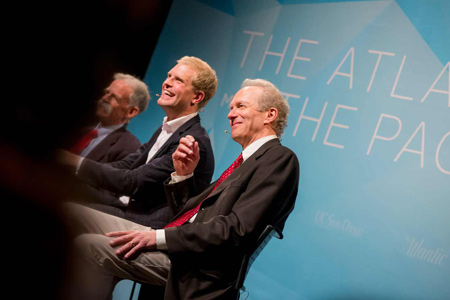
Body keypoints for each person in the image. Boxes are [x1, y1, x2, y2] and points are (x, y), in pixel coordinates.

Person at [64, 78, 300, 300]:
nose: (230, 114)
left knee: (88, 246)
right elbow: (187, 214)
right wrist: (183, 174)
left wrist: (156, 238)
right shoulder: (245, 161)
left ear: (270, 115)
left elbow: (235, 230)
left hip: (194, 267)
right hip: (177, 245)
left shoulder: (279, 159)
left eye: (240, 106)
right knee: (72, 213)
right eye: (230, 107)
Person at [59, 56, 217, 229]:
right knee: (58, 195)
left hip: (149, 225)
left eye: (178, 80)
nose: (167, 83)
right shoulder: (167, 129)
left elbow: (133, 182)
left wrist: (74, 162)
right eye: (169, 76)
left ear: (196, 97)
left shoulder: (192, 141)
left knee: (67, 212)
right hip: (132, 211)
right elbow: (126, 165)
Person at [68, 73, 150, 163]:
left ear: (131, 112)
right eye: (107, 92)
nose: (104, 98)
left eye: (114, 97)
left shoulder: (130, 148)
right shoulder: (81, 131)